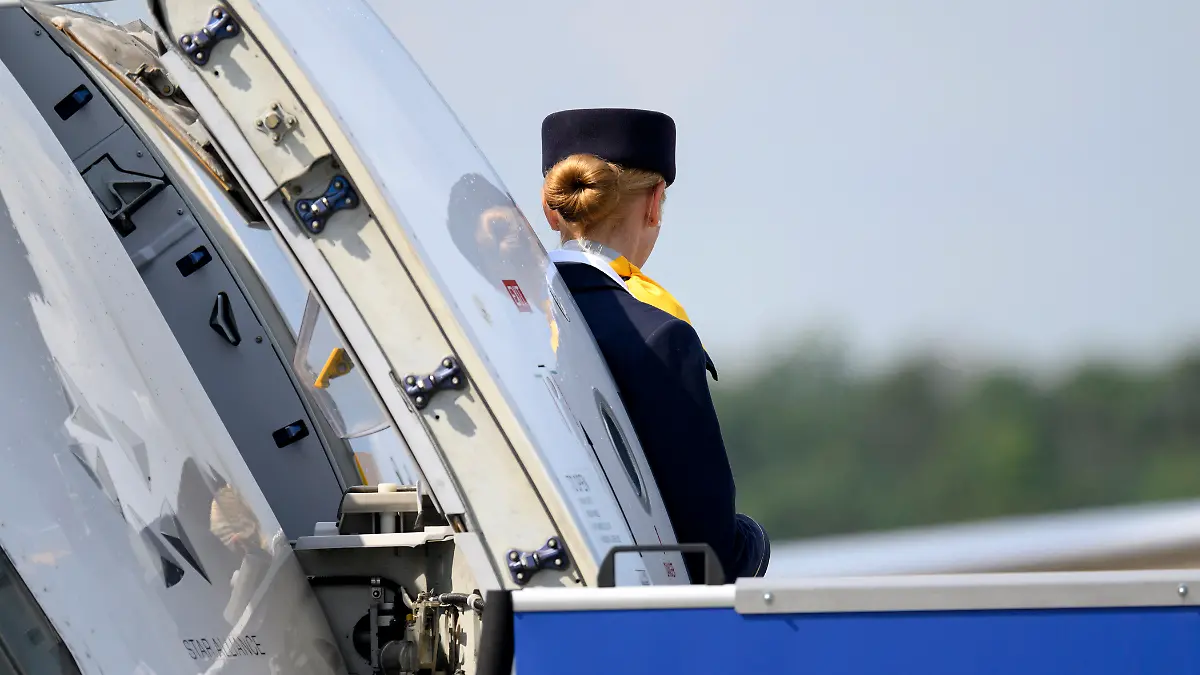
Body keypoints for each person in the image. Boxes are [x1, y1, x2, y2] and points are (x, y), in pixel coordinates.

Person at [539, 107, 769, 582]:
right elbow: (708, 554)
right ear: (655, 203)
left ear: (550, 207)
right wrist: (755, 544)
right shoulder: (658, 336)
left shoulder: (503, 320)